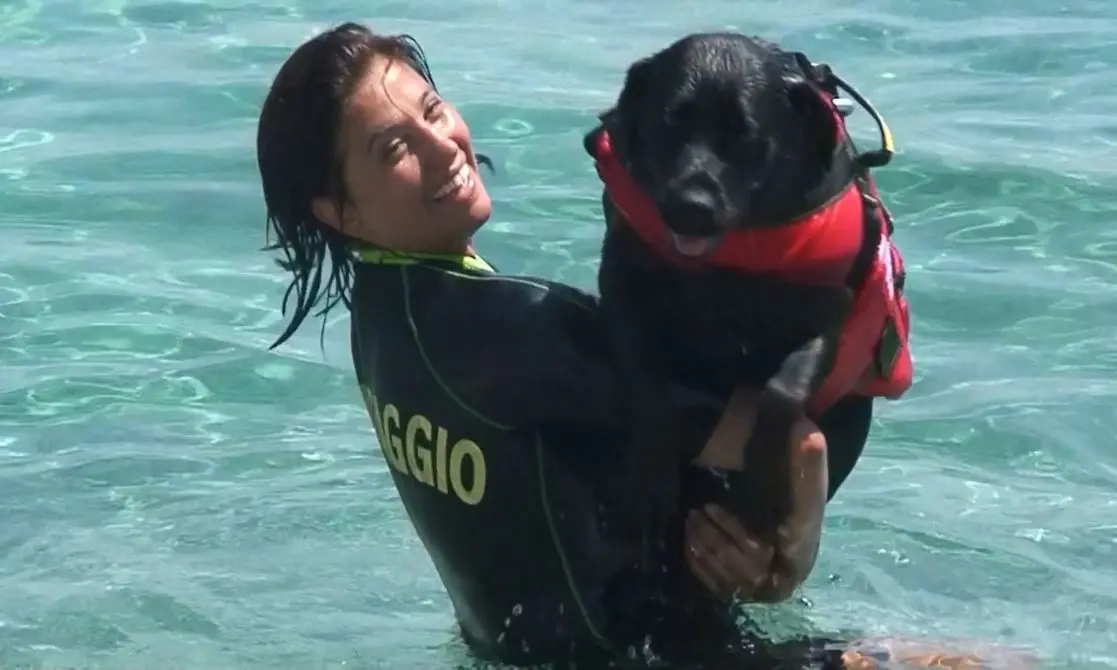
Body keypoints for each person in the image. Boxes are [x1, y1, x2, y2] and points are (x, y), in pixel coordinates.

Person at [255, 22, 1008, 670]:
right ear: (339, 210)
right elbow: (793, 446)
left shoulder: (386, 324)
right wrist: (791, 550)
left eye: (430, 109)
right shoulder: (517, 330)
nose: (442, 144)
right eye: (393, 148)